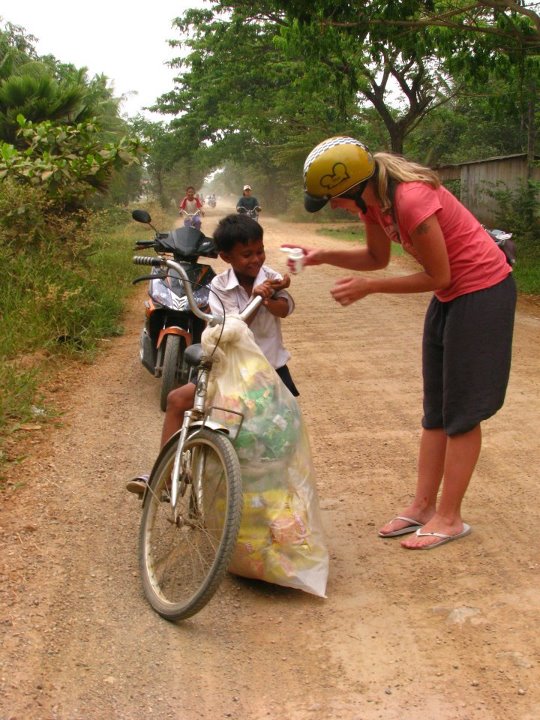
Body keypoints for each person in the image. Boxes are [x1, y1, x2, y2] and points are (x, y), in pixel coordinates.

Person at [284, 135, 516, 549]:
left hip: (482, 293)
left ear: (353, 188)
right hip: (451, 297)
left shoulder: (410, 199)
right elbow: (377, 257)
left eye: (333, 199)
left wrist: (370, 289)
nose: (334, 207)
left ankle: (450, 517)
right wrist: (319, 255)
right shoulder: (375, 203)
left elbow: (438, 276)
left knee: (462, 412)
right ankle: (423, 507)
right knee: (436, 411)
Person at [127, 213, 298, 494]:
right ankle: (165, 478)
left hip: (268, 373)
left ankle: (278, 492)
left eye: (260, 251)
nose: (256, 259)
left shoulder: (272, 278)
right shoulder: (219, 286)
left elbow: (285, 309)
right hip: (228, 369)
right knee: (176, 399)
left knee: (276, 435)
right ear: (226, 257)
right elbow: (234, 329)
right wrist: (256, 298)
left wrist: (267, 297)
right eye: (246, 255)